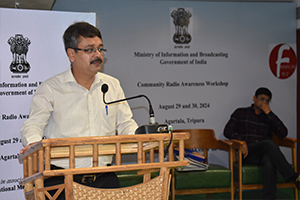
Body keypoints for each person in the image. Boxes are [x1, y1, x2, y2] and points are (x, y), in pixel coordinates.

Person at [20, 22, 138, 199]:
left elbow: (126, 123)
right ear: (71, 54)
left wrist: (140, 138)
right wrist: (34, 144)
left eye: (100, 49)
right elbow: (33, 125)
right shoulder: (51, 88)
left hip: (105, 178)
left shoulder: (111, 85)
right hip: (61, 180)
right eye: (90, 49)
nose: (97, 55)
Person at [223, 87, 299, 200]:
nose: (264, 102)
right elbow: (227, 131)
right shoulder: (241, 112)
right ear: (254, 98)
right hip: (247, 153)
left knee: (269, 158)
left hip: (264, 153)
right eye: (262, 99)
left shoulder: (269, 117)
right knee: (268, 144)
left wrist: (269, 113)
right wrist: (241, 141)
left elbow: (283, 133)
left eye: (267, 101)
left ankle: (268, 197)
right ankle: (294, 176)